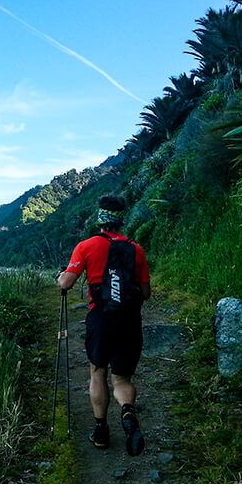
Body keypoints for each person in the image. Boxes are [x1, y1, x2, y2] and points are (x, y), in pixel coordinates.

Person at [57, 195, 151, 455]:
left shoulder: (86, 246)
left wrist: (61, 276)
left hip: (101, 319)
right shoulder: (136, 249)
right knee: (121, 377)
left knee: (98, 371)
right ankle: (128, 413)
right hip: (129, 320)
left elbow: (67, 283)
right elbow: (145, 292)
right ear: (121, 219)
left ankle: (101, 431)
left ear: (100, 218)